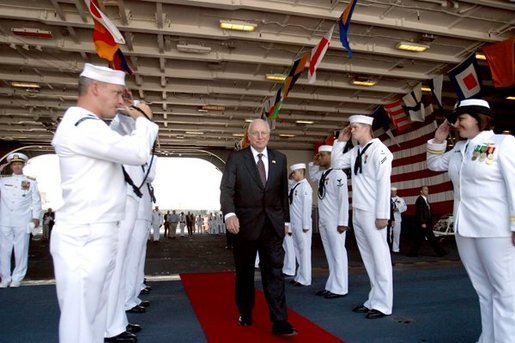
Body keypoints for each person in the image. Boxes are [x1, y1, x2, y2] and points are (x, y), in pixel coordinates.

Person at [50, 63, 158, 343]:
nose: (120, 101)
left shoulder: (92, 126)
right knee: (80, 327)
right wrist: (144, 118)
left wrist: (128, 112)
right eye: (116, 93)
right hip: (85, 235)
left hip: (97, 233)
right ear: (95, 89)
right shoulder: (80, 126)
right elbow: (136, 152)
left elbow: (118, 138)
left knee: (94, 322)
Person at [426, 98, 515, 343]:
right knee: (483, 290)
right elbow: (434, 164)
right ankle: (488, 337)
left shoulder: (503, 143)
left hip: (495, 228)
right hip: (465, 227)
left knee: (505, 291)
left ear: (479, 118)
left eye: (460, 119)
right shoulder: (458, 148)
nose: (456, 125)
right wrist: (439, 139)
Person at [220, 118, 296, 336]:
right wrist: (230, 214)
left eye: (264, 133)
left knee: (274, 272)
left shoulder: (279, 159)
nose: (260, 136)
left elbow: (283, 194)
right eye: (256, 133)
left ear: (269, 135)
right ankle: (245, 312)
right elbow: (226, 189)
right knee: (244, 273)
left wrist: (286, 221)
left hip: (272, 226)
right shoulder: (236, 159)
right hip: (244, 226)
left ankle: (280, 321)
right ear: (249, 136)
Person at [332, 114, 393, 319]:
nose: (352, 130)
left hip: (374, 212)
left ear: (367, 127)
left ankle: (384, 304)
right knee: (368, 258)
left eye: (355, 127)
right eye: (351, 127)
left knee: (380, 258)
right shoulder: (356, 150)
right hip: (358, 211)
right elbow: (337, 163)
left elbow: (384, 183)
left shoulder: (380, 150)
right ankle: (373, 299)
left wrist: (383, 214)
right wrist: (341, 141)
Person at [309, 146, 349, 297]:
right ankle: (332, 285)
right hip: (325, 220)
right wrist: (314, 163)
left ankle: (340, 287)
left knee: (338, 254)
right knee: (330, 254)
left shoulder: (339, 174)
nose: (319, 158)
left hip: (335, 220)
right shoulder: (323, 173)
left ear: (332, 156)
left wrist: (343, 221)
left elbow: (343, 200)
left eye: (322, 155)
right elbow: (313, 177)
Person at [0, 153, 42, 288]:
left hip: (22, 220)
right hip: (4, 220)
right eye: (13, 164)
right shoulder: (3, 181)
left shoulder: (31, 182)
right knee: (3, 250)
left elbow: (36, 201)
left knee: (21, 250)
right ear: (10, 166)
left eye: (19, 164)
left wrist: (36, 217)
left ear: (23, 165)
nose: (16, 166)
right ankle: (5, 277)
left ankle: (17, 277)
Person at [288, 163, 313, 287]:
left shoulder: (305, 187)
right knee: (298, 250)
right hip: (295, 223)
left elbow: (307, 207)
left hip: (303, 224)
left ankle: (305, 278)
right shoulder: (295, 186)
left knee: (304, 251)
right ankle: (299, 275)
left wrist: (306, 225)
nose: (293, 175)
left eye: (294, 172)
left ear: (301, 172)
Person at [408, 186, 447, 257]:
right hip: (424, 223)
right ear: (421, 191)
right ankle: (441, 253)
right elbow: (420, 212)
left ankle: (413, 253)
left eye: (427, 190)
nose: (427, 191)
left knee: (419, 239)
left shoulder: (425, 200)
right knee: (431, 239)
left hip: (427, 222)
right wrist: (422, 222)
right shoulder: (420, 200)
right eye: (425, 190)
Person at [390, 187, 406, 253]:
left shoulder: (400, 199)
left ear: (396, 192)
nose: (393, 192)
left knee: (396, 234)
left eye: (394, 191)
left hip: (397, 219)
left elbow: (405, 207)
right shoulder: (386, 199)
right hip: (389, 219)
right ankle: (388, 247)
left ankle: (395, 249)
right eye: (391, 191)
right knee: (388, 234)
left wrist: (398, 209)